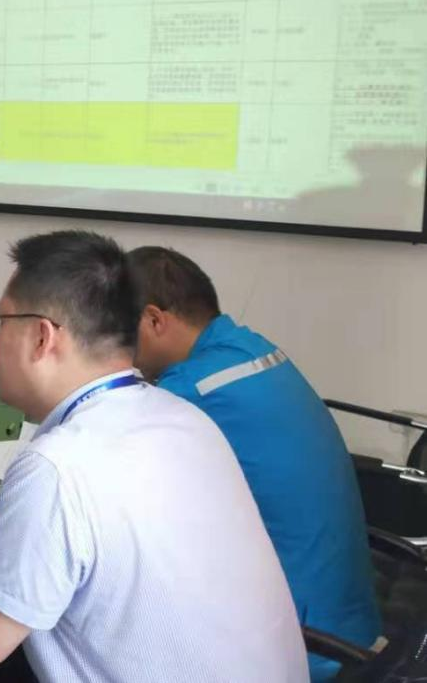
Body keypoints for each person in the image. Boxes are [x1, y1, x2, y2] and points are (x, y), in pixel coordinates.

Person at [0, 230, 308, 681]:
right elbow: (88, 531)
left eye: (0, 321)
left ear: (41, 337)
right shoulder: (181, 416)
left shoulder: (58, 466)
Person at [127, 245, 379, 680]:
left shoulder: (191, 386)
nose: (117, 347)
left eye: (117, 330)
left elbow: (95, 483)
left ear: (154, 320)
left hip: (299, 643)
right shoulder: (250, 348)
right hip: (348, 616)